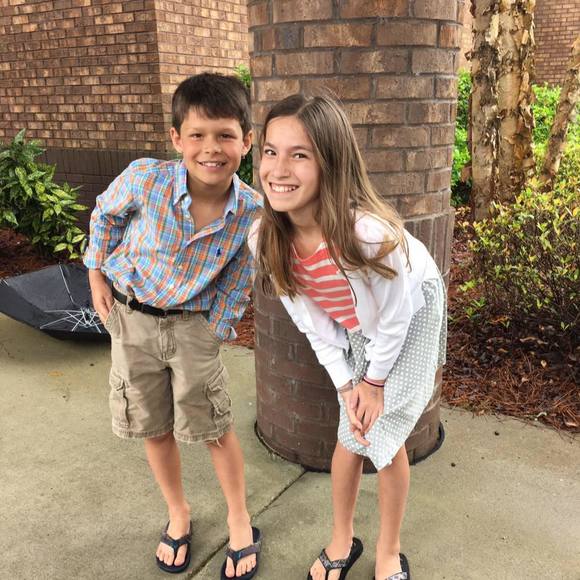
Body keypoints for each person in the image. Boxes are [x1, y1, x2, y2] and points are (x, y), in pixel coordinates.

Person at [248, 94, 446, 580]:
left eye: (299, 154)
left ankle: (388, 551)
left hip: (412, 315)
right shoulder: (266, 238)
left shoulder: (370, 236)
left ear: (330, 163)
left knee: (382, 436)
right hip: (362, 324)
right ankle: (342, 539)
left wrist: (373, 384)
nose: (278, 169)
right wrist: (345, 384)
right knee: (350, 431)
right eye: (271, 151)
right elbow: (311, 321)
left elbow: (395, 318)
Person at [84, 73, 263, 579]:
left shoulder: (252, 211)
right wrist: (96, 274)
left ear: (247, 141)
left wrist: (217, 328)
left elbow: (239, 276)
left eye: (226, 135)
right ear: (177, 138)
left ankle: (239, 520)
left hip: (194, 330)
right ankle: (178, 512)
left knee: (214, 428)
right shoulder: (146, 179)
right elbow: (105, 215)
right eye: (198, 135)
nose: (212, 148)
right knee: (153, 425)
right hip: (131, 321)